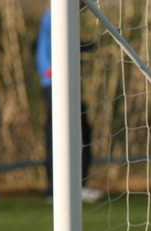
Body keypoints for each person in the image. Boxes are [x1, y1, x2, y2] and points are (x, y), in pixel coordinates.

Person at [35, 6, 104, 203]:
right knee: (67, 132)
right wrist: (49, 70)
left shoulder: (63, 14)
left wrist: (85, 46)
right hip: (56, 82)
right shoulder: (54, 15)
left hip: (62, 81)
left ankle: (64, 186)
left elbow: (63, 44)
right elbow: (45, 49)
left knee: (72, 131)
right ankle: (65, 187)